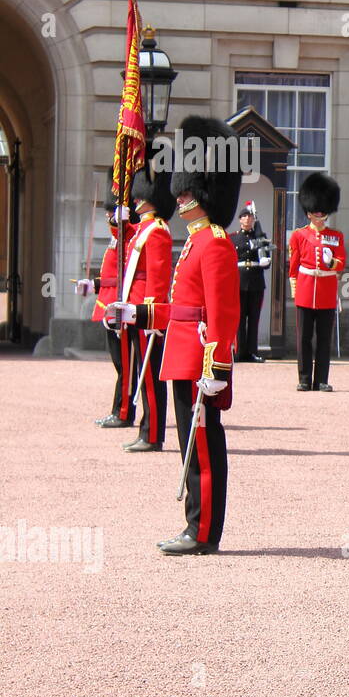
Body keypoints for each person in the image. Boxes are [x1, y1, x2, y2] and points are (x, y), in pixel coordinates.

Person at [109, 115, 241, 556]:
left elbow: (222, 314)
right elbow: (180, 308)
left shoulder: (216, 242)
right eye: (181, 190)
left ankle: (203, 531)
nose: (180, 196)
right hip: (182, 354)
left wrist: (218, 367)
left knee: (202, 444)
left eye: (187, 191)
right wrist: (139, 311)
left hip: (201, 359)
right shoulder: (196, 241)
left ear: (204, 195)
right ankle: (195, 524)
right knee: (191, 438)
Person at [118, 160, 177, 453]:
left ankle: (153, 434)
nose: (137, 200)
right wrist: (117, 220)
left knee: (151, 377)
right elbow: (124, 248)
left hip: (146, 311)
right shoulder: (143, 229)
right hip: (133, 307)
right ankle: (146, 428)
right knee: (142, 372)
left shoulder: (158, 231)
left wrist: (152, 316)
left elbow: (157, 277)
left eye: (141, 196)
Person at [78, 179, 136, 429]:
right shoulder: (117, 241)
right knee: (120, 364)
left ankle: (123, 411)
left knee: (125, 365)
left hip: (118, 309)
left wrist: (120, 219)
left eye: (111, 212)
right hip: (108, 306)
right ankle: (120, 408)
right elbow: (114, 276)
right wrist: (93, 285)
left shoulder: (128, 237)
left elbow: (125, 277)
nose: (108, 217)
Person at [289, 173, 346, 391]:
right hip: (305, 288)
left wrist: (332, 263)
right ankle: (304, 378)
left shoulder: (336, 236)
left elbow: (341, 262)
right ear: (308, 212)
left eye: (321, 211)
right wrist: (294, 288)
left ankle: (321, 379)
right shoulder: (299, 235)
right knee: (303, 338)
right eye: (315, 211)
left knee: (323, 339)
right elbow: (294, 265)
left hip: (326, 290)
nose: (318, 214)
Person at [232, 201, 270, 362]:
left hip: (255, 282)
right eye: (245, 216)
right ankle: (240, 352)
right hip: (239, 282)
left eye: (250, 216)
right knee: (239, 319)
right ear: (240, 219)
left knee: (254, 318)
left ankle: (252, 352)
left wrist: (266, 261)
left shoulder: (261, 237)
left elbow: (266, 259)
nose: (248, 219)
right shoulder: (233, 238)